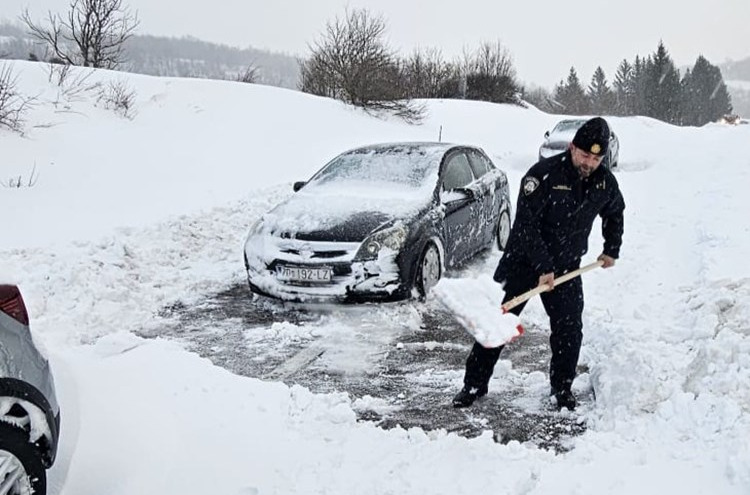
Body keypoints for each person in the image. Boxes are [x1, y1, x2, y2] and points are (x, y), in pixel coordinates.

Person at [453, 117, 625, 411]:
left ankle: (562, 389)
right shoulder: (542, 176)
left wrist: (612, 248)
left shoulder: (604, 182)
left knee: (569, 331)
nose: (590, 163)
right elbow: (525, 227)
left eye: (596, 158)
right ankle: (473, 385)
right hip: (523, 263)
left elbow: (615, 211)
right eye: (585, 155)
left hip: (568, 267)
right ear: (572, 147)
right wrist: (544, 266)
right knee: (496, 323)